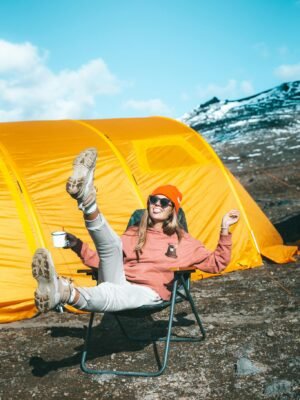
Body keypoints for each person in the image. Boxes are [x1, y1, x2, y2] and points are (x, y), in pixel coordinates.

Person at [32, 147, 240, 314]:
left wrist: (224, 229)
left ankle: (65, 293)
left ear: (172, 211)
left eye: (164, 202)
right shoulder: (134, 232)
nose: (157, 205)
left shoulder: (182, 240)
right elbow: (103, 259)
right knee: (113, 245)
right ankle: (87, 201)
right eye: (153, 200)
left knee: (112, 293)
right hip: (119, 280)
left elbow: (216, 264)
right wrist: (76, 244)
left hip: (148, 292)